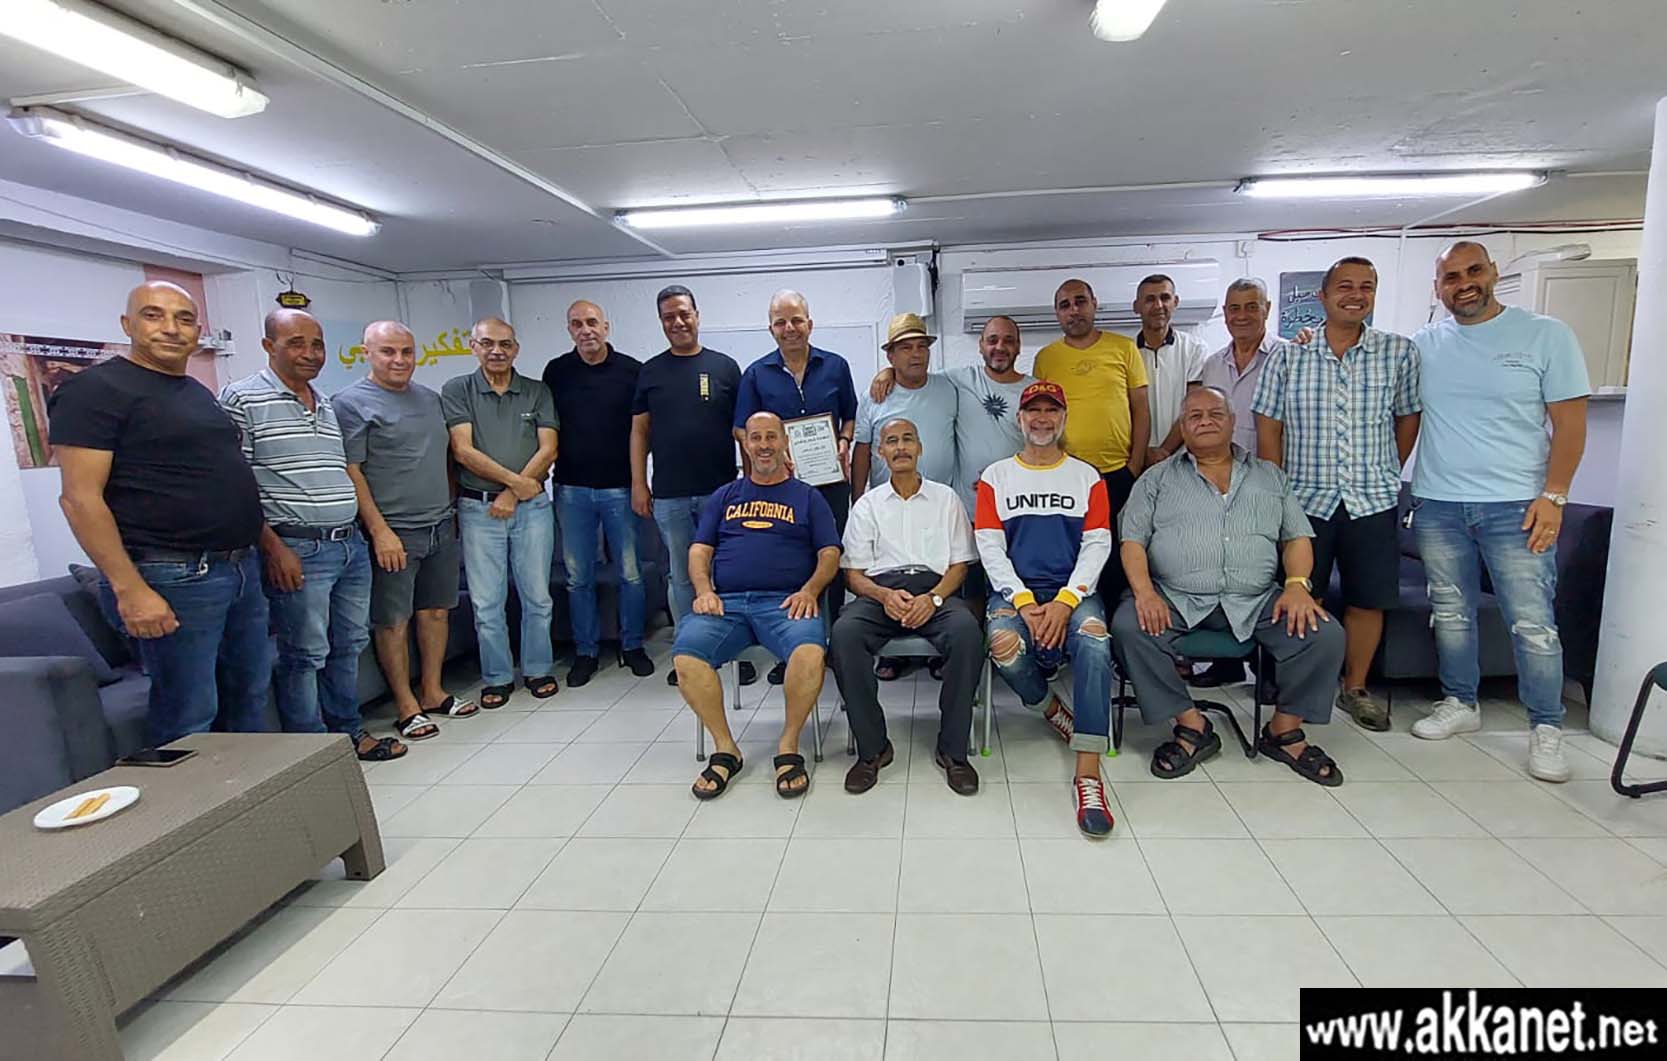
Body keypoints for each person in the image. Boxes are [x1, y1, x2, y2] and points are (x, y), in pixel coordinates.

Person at [50, 281, 270, 747]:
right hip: (172, 575)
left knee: (248, 697)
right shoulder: (94, 390)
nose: (171, 328)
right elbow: (80, 499)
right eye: (153, 315)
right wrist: (129, 589)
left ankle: (248, 792)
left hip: (237, 568)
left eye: (184, 319)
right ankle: (190, 796)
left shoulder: (193, 391)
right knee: (189, 713)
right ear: (127, 324)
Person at [1406, 241, 1590, 783]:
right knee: (1450, 613)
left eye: (1473, 271)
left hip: (1518, 506)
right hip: (1438, 502)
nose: (1464, 283)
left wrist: (1555, 496)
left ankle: (1546, 726)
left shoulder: (1546, 334)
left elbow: (1571, 424)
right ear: (1437, 289)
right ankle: (1460, 702)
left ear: (1493, 273)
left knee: (1532, 623)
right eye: (1451, 277)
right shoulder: (1424, 344)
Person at [1114, 387, 1346, 785]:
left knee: (1323, 634)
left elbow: (1296, 538)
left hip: (1256, 600)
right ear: (1182, 426)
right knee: (1128, 627)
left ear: (1232, 421)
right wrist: (1145, 592)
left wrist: (1296, 586)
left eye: (1215, 414)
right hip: (1176, 597)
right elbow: (1132, 541)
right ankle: (1191, 725)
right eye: (1194, 416)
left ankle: (1284, 731)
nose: (1205, 421)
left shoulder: (1269, 476)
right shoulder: (1156, 479)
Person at [219, 309, 403, 761]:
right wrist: (273, 547)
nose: (310, 353)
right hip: (297, 547)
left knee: (349, 645)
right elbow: (235, 484)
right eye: (296, 343)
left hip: (348, 544)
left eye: (316, 344)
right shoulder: (241, 399)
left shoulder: (324, 402)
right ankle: (313, 754)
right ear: (269, 346)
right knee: (305, 654)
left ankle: (348, 734)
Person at [1253, 257, 1421, 731]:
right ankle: (1302, 685)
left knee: (1368, 599)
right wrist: (1277, 495)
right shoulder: (1290, 356)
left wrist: (1387, 470)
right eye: (1345, 286)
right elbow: (1268, 428)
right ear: (1323, 296)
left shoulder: (1399, 352)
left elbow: (1408, 417)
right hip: (1305, 500)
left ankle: (1356, 687)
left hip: (1373, 499)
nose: (1356, 295)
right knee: (1301, 592)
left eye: (1366, 286)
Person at [674, 413, 842, 802]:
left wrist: (810, 591)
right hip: (727, 604)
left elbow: (830, 553)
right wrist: (704, 589)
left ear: (785, 442)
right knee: (686, 659)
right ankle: (725, 749)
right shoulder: (725, 496)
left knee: (809, 655)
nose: (764, 445)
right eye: (756, 438)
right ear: (745, 445)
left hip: (786, 603)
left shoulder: (808, 497)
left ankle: (788, 745)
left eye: (771, 437)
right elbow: (700, 550)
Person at [976, 381, 1116, 837]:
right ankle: (1050, 706)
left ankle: (1088, 772)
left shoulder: (1087, 476)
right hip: (1015, 592)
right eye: (1032, 410)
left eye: (1051, 410)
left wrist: (1066, 600)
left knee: (1095, 643)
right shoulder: (995, 476)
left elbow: (1097, 545)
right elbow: (989, 547)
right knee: (1003, 645)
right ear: (1019, 419)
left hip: (1072, 591)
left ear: (1063, 418)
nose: (1041, 418)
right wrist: (1022, 600)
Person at [334, 320, 478, 742]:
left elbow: (447, 459)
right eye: (388, 351)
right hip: (394, 532)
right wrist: (379, 530)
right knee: (393, 620)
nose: (399, 360)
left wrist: (451, 509)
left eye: (407, 352)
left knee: (436, 611)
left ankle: (432, 691)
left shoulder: (430, 399)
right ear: (366, 353)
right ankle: (405, 705)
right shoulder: (350, 403)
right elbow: (352, 471)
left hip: (439, 524)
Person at [831, 417, 983, 795]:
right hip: (880, 593)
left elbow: (959, 565)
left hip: (935, 591)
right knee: (845, 635)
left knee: (967, 633)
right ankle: (873, 749)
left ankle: (953, 751)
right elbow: (853, 575)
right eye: (892, 441)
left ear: (919, 448)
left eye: (908, 439)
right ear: (880, 452)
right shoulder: (867, 505)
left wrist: (933, 599)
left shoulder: (946, 499)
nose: (900, 447)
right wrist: (883, 596)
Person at [733, 289, 858, 684]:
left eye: (796, 320)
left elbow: (850, 415)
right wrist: (770, 455)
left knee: (831, 557)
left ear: (810, 323)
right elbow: (741, 428)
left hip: (830, 484)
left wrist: (844, 441)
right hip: (780, 488)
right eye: (780, 322)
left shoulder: (836, 366)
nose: (789, 328)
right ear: (771, 329)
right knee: (789, 560)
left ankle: (833, 643)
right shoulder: (755, 374)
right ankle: (790, 649)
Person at [631, 285, 752, 686]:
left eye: (684, 314)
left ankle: (734, 652)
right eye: (669, 317)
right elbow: (639, 431)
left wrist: (751, 483)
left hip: (723, 492)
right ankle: (690, 654)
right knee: (682, 578)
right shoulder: (650, 372)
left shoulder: (725, 367)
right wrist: (639, 483)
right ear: (661, 322)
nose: (678, 322)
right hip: (670, 494)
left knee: (726, 573)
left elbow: (742, 431)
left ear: (697, 315)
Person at [443, 318, 560, 707]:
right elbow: (462, 450)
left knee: (537, 597)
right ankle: (496, 677)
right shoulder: (458, 390)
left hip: (532, 508)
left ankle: (538, 669)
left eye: (505, 344)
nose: (497, 351)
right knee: (486, 602)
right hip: (479, 509)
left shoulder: (536, 391)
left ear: (516, 348)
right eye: (488, 343)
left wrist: (512, 493)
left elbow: (549, 448)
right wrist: (513, 484)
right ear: (473, 346)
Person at [541, 300, 654, 687]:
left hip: (622, 488)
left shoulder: (632, 371)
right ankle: (586, 652)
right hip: (571, 489)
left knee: (631, 573)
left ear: (606, 326)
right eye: (577, 324)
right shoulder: (557, 372)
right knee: (578, 577)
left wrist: (640, 483)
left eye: (592, 322)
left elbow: (643, 432)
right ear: (569, 330)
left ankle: (633, 646)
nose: (586, 330)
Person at [1194, 277, 1291, 692]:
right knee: (1225, 572)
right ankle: (1227, 665)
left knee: (1267, 575)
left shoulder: (1290, 356)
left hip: (1269, 482)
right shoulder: (1213, 365)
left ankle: (1270, 673)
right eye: (1234, 308)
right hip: (1220, 483)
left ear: (1267, 309)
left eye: (1252, 306)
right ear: (1225, 314)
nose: (1243, 315)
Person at [1032, 278, 1150, 603]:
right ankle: (1074, 618)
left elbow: (1141, 409)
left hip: (1117, 474)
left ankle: (1114, 625)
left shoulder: (1124, 348)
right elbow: (1039, 417)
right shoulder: (1046, 358)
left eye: (1080, 301)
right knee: (1070, 554)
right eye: (1065, 305)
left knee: (1115, 557)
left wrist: (1134, 466)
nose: (1074, 310)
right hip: (1065, 477)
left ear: (1094, 304)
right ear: (1057, 313)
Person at [852, 313, 958, 497]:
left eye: (922, 346)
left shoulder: (949, 388)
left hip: (939, 502)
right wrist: (857, 500)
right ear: (890, 356)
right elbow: (862, 452)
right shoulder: (873, 396)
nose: (916, 354)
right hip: (886, 503)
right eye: (906, 348)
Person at [1131, 274, 1208, 468]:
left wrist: (1164, 451)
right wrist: (1143, 453)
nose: (1158, 305)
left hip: (1183, 461)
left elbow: (1193, 408)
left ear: (1175, 302)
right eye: (1149, 299)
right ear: (1136, 306)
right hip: (1137, 460)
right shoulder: (1125, 353)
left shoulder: (1194, 349)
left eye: (1165, 298)